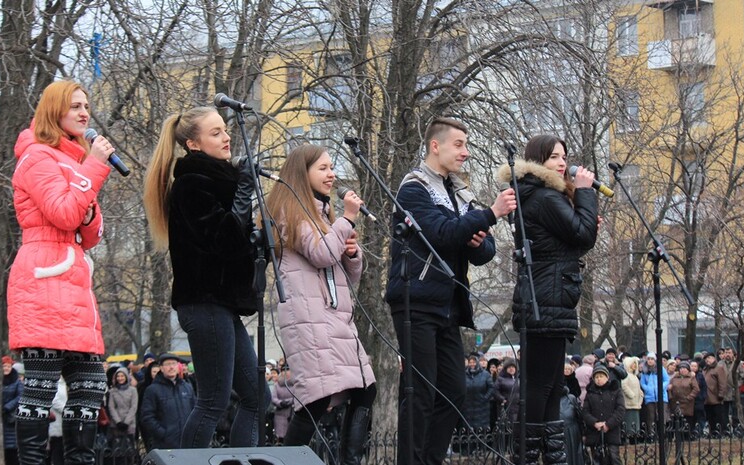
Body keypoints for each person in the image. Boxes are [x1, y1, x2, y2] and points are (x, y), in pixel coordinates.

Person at [384, 117, 516, 465]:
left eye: (466, 145)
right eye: (459, 144)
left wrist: (477, 235)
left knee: (454, 391)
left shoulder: (460, 192)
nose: (466, 152)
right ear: (435, 145)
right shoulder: (413, 187)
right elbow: (440, 233)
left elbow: (484, 252)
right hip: (416, 300)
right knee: (420, 391)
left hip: (449, 304)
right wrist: (490, 214)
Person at [143, 106, 268, 448]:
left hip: (222, 305)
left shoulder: (221, 185)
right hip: (203, 303)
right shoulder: (190, 186)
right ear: (193, 144)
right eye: (216, 133)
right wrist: (244, 190)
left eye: (225, 130)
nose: (227, 137)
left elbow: (241, 246)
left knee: (258, 398)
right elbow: (226, 238)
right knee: (212, 401)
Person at [7, 80, 114, 465]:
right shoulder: (36, 157)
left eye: (86, 105)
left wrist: (90, 210)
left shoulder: (77, 160)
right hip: (44, 278)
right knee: (41, 386)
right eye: (75, 106)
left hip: (75, 282)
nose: (84, 113)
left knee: (90, 385)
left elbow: (89, 232)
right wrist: (94, 168)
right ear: (54, 110)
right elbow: (63, 213)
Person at [265, 144, 377, 464]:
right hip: (309, 319)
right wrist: (348, 219)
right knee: (316, 399)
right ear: (303, 174)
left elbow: (344, 275)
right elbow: (321, 254)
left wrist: (353, 254)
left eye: (332, 168)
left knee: (365, 389)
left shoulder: (322, 213)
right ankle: (286, 461)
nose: (332, 175)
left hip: (333, 317)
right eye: (324, 169)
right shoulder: (290, 210)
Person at [497, 134, 599, 465]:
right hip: (546, 302)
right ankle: (526, 458)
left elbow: (567, 247)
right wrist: (585, 194)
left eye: (564, 156)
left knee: (554, 388)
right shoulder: (544, 198)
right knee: (541, 388)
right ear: (539, 161)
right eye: (555, 156)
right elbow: (581, 234)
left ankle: (553, 458)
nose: (562, 162)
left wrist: (583, 215)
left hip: (550, 300)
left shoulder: (539, 197)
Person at [140, 353, 197, 449]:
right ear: (161, 368)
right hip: (165, 445)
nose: (171, 367)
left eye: (174, 364)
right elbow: (147, 417)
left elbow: (195, 411)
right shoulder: (153, 390)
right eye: (167, 364)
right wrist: (163, 434)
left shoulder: (187, 387)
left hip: (187, 443)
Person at [582, 365, 625, 465]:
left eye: (601, 376)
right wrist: (595, 423)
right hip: (594, 432)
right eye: (596, 377)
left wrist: (608, 424)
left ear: (607, 377)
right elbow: (585, 411)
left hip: (611, 431)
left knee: (614, 457)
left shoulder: (616, 391)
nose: (599, 379)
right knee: (596, 459)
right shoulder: (590, 393)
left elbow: (620, 409)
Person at [2, 356, 24, 465]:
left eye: (8, 366)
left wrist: (7, 406)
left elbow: (20, 396)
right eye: (4, 366)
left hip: (11, 418)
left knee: (12, 449)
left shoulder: (16, 381)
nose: (6, 368)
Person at [640, 352, 669, 432]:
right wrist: (647, 389)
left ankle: (662, 433)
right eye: (648, 359)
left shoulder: (660, 369)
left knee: (662, 416)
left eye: (652, 359)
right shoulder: (644, 370)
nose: (650, 361)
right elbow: (642, 383)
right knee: (651, 417)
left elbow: (666, 380)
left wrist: (661, 387)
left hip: (661, 396)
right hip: (650, 397)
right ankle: (652, 434)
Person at [668, 361, 699, 434]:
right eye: (681, 368)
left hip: (687, 403)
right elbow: (669, 388)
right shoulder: (674, 378)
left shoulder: (691, 378)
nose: (682, 370)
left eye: (684, 368)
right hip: (675, 402)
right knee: (677, 420)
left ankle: (687, 435)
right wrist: (671, 397)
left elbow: (696, 389)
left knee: (687, 420)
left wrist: (689, 397)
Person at [108, 367, 139, 439]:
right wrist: (118, 422)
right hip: (116, 423)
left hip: (130, 423)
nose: (120, 378)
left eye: (122, 376)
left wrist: (126, 422)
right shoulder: (112, 391)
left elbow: (133, 407)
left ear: (126, 377)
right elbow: (111, 407)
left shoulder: (133, 390)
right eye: (118, 376)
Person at [703, 352, 728, 436]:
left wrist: (721, 394)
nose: (707, 361)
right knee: (710, 417)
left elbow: (722, 383)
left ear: (713, 358)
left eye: (709, 358)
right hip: (707, 397)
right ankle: (712, 432)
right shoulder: (705, 369)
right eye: (706, 359)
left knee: (718, 416)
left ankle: (719, 432)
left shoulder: (718, 368)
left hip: (716, 397)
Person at [620, 356, 643, 441]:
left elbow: (637, 387)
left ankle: (635, 436)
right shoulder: (626, 375)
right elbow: (624, 386)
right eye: (633, 363)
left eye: (635, 363)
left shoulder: (635, 376)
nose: (634, 365)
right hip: (629, 403)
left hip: (636, 403)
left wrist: (640, 394)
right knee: (629, 421)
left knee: (635, 421)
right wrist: (631, 395)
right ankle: (627, 438)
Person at [48, 377, 68, 465]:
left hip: (70, 423)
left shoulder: (69, 383)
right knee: (57, 448)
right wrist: (68, 410)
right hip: (58, 421)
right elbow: (54, 401)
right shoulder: (55, 383)